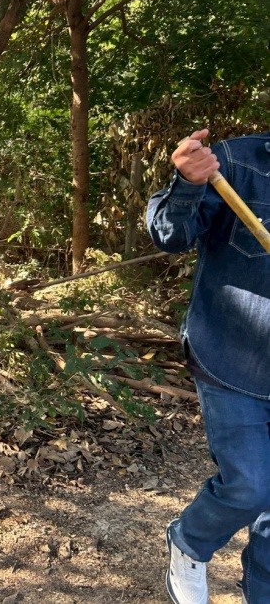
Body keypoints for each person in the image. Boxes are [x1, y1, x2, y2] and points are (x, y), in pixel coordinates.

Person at [147, 128, 270, 604]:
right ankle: (190, 541)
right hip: (231, 360)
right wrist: (187, 182)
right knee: (249, 487)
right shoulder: (234, 163)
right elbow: (169, 235)